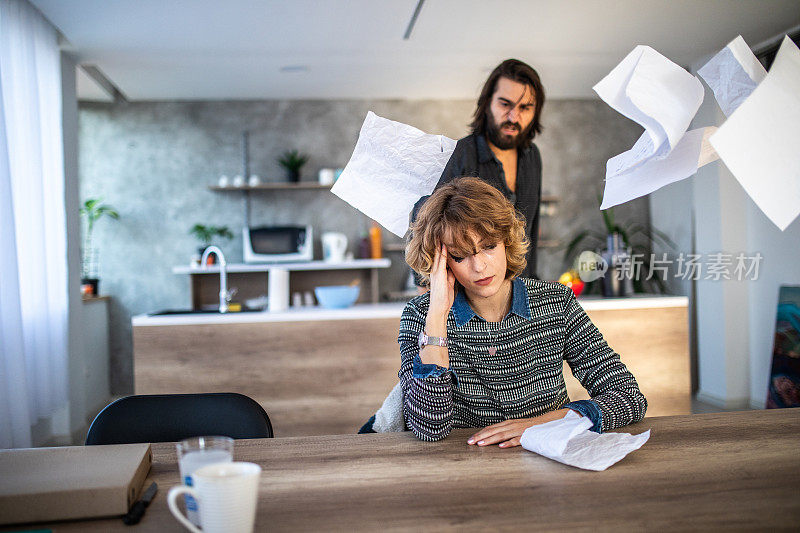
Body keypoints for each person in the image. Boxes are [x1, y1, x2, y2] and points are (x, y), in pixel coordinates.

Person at [401, 177, 646, 445]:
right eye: (460, 256)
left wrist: (539, 425)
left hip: (551, 462)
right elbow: (429, 429)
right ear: (442, 263)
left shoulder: (556, 302)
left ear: (507, 241)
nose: (480, 267)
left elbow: (628, 396)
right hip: (466, 467)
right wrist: (437, 314)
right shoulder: (420, 316)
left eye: (489, 246)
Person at [413, 58, 545, 284]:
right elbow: (425, 220)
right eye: (505, 104)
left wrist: (532, 286)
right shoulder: (462, 154)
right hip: (471, 296)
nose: (514, 117)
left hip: (519, 290)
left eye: (524, 107)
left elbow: (530, 232)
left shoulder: (533, 156)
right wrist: (428, 290)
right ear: (487, 104)